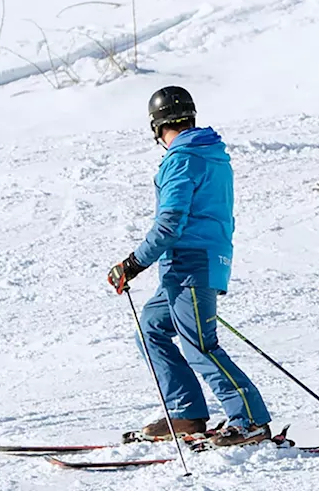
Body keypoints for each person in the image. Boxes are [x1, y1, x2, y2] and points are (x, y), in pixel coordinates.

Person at [106, 86, 273, 448]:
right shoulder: (210, 153)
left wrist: (133, 264)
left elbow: (170, 222)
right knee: (150, 328)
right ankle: (186, 413)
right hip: (190, 265)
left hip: (190, 264)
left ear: (156, 126)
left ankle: (251, 420)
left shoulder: (182, 158)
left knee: (199, 344)